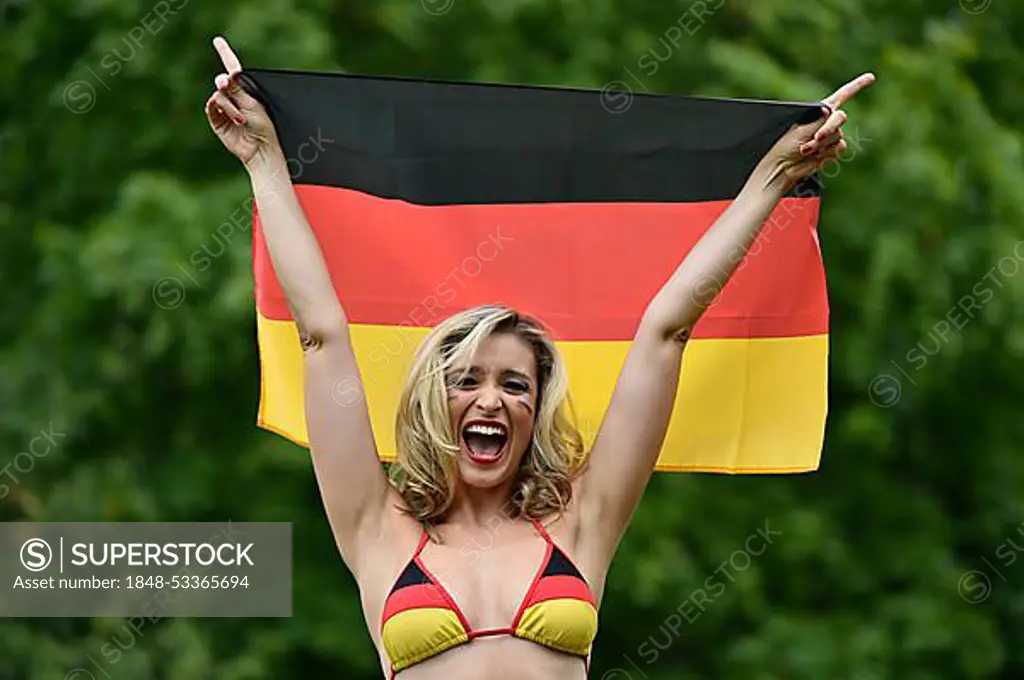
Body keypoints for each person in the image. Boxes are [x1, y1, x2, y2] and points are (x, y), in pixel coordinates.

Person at [205, 35, 873, 679]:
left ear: (536, 409)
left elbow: (666, 330)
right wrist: (263, 159)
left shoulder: (585, 521)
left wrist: (776, 175)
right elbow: (321, 334)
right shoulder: (376, 528)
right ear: (436, 403)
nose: (491, 399)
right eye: (467, 380)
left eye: (515, 386)